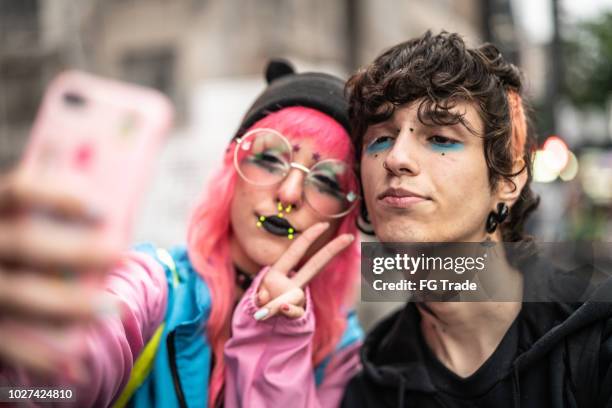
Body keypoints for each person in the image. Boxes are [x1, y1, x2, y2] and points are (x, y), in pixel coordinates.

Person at [0, 59, 364, 407]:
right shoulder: (153, 284)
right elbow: (47, 391)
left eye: (326, 181)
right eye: (269, 160)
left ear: (344, 219)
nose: (288, 195)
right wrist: (35, 337)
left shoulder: (342, 351)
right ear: (230, 173)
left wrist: (280, 337)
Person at [340, 31, 612, 407]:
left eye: (439, 137)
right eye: (380, 138)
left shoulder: (596, 339)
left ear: (508, 179)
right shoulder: (373, 381)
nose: (396, 157)